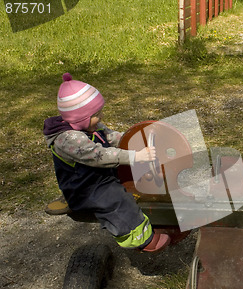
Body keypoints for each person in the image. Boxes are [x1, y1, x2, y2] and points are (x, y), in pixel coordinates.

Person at [43, 73, 171, 252]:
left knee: (131, 178)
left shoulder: (91, 126)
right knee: (117, 200)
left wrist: (136, 142)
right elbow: (99, 156)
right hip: (84, 188)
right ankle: (141, 239)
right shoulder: (68, 140)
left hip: (99, 177)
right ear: (80, 117)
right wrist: (135, 156)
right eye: (96, 114)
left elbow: (114, 137)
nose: (101, 117)